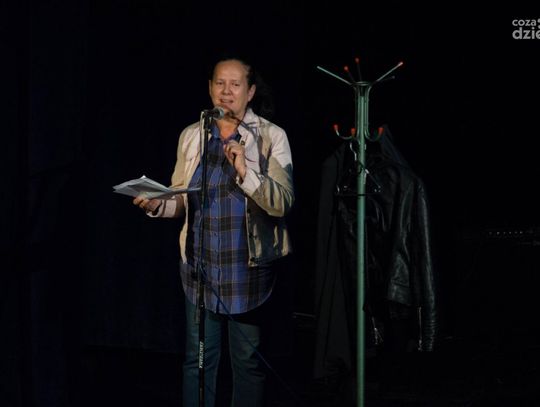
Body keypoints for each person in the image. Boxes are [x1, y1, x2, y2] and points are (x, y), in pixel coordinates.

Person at [133, 57, 294, 407]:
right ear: (209, 88)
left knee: (247, 362)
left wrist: (246, 171)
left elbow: (282, 203)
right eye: (220, 83)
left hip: (245, 271)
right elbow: (181, 200)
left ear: (250, 92)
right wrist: (157, 204)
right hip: (200, 269)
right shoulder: (192, 136)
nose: (226, 92)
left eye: (235, 84)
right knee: (198, 361)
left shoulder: (271, 136)